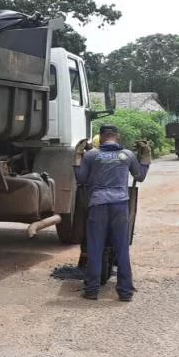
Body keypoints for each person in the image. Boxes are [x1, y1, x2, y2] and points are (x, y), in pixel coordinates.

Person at [73, 126, 151, 301]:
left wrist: (78, 156)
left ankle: (92, 290)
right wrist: (145, 155)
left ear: (100, 138)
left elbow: (80, 179)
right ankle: (125, 292)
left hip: (98, 205)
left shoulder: (92, 155)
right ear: (117, 137)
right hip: (120, 206)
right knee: (122, 250)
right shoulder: (128, 155)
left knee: (95, 248)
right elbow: (140, 176)